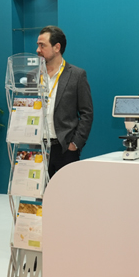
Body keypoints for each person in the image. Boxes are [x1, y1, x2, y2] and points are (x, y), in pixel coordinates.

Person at [36, 26, 93, 179]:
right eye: (38, 45)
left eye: (42, 45)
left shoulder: (76, 75)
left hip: (64, 148)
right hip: (38, 148)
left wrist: (75, 144)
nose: (38, 50)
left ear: (57, 47)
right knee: (39, 193)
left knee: (67, 192)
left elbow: (87, 113)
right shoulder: (33, 75)